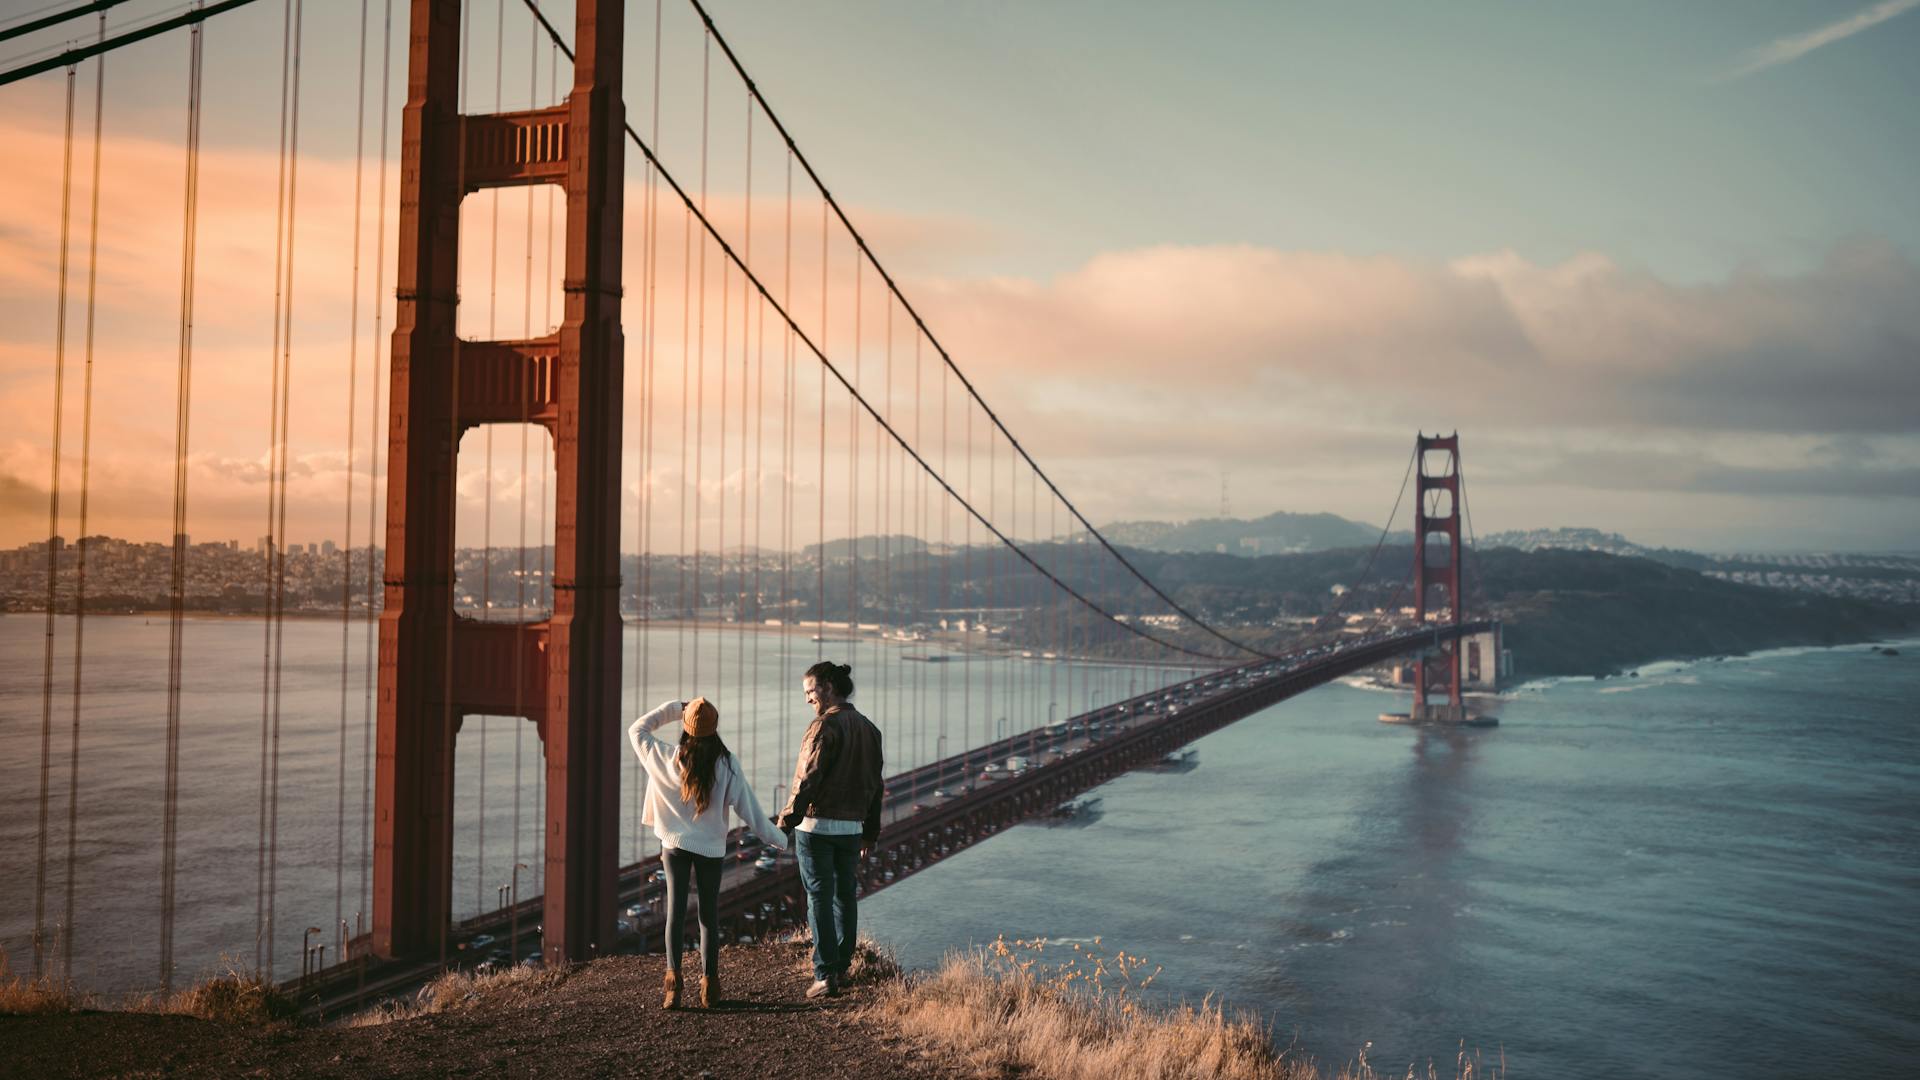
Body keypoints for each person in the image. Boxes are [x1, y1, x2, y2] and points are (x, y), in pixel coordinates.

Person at [628, 696, 787, 1009]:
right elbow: (751, 812)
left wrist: (676, 709)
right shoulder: (727, 764)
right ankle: (709, 988)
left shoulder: (663, 756)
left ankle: (673, 989)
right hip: (711, 850)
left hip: (673, 845)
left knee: (674, 913)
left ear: (686, 728)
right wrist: (780, 839)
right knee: (708, 917)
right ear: (715, 728)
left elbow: (637, 730)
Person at [777, 661, 884, 999]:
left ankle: (824, 974)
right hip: (851, 828)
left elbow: (806, 779)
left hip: (817, 825)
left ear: (827, 688)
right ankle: (840, 967)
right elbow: (876, 786)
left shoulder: (823, 727)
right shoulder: (870, 729)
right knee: (844, 896)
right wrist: (870, 831)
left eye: (810, 690)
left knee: (819, 896)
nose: (808, 698)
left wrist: (787, 819)